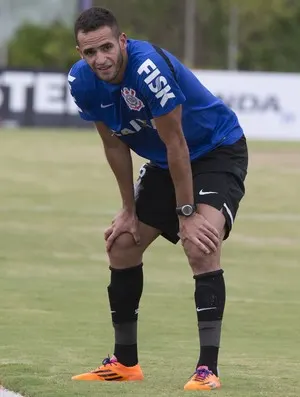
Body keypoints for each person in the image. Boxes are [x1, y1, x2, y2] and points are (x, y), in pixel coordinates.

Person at [69, 6, 248, 391]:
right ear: (80, 53)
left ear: (121, 42)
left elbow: (177, 143)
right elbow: (114, 146)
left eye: (105, 48)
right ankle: (125, 362)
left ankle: (207, 370)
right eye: (89, 52)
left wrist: (187, 214)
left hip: (215, 150)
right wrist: (128, 211)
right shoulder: (81, 82)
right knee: (121, 244)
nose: (99, 59)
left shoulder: (148, 70)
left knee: (200, 245)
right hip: (166, 161)